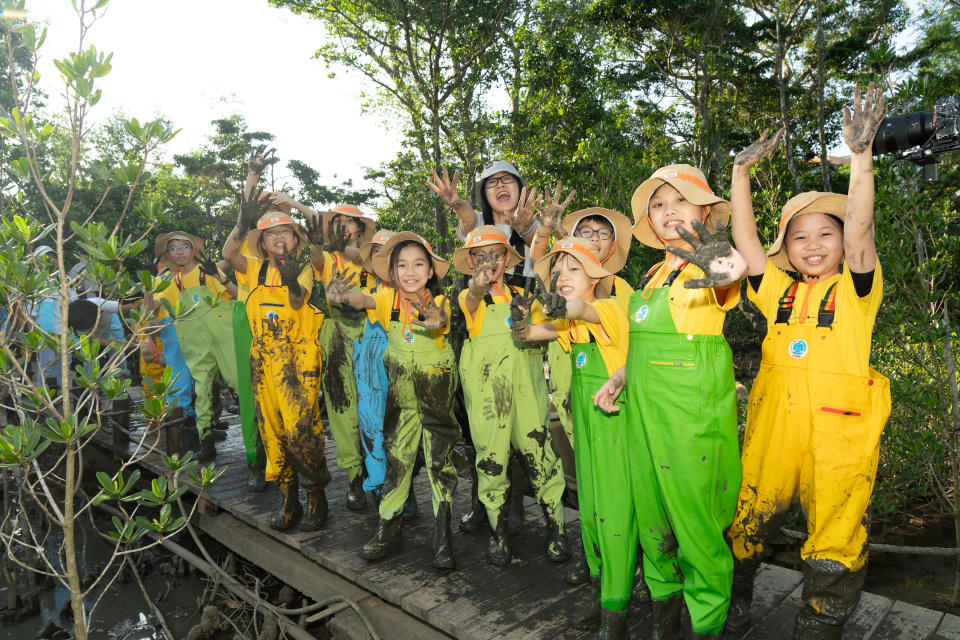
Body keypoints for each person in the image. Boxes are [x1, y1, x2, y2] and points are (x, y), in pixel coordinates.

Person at [724, 85, 891, 640]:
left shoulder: (856, 290)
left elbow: (862, 228)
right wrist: (740, 174)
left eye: (826, 234)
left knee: (836, 535)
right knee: (749, 516)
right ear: (787, 248)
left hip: (840, 434)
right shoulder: (777, 291)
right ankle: (736, 599)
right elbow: (745, 240)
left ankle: (818, 627)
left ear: (842, 243)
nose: (813, 244)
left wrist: (861, 158)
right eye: (800, 237)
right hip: (774, 425)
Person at [594, 164, 747, 638]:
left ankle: (707, 624)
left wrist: (714, 251)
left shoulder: (707, 265)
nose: (668, 210)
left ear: (705, 211)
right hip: (643, 413)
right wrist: (621, 375)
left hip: (688, 416)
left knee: (695, 523)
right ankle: (666, 623)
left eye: (681, 200)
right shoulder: (652, 274)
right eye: (658, 204)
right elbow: (645, 345)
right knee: (653, 520)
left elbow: (732, 270)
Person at [511, 237, 636, 638]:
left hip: (613, 422)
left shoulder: (608, 308)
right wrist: (520, 323)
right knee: (591, 508)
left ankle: (616, 608)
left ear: (596, 275)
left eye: (573, 269)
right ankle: (601, 589)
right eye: (557, 271)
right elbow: (532, 333)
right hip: (586, 427)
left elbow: (584, 309)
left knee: (614, 511)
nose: (562, 277)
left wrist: (566, 308)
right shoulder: (569, 325)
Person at [326, 232, 460, 569]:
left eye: (418, 264)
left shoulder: (438, 302)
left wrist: (437, 320)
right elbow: (362, 300)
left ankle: (443, 535)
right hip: (401, 387)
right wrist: (342, 296)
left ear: (431, 271)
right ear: (392, 272)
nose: (410, 272)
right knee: (397, 455)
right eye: (402, 265)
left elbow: (442, 320)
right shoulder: (386, 298)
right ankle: (388, 528)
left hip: (436, 382)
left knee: (439, 457)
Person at [452, 225, 569, 566]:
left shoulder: (524, 295)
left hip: (529, 390)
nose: (489, 261)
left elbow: (550, 331)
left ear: (508, 258)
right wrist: (477, 283)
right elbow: (473, 294)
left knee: (542, 456)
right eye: (480, 255)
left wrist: (539, 318)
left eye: (496, 254)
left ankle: (557, 531)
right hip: (489, 395)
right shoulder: (469, 297)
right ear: (470, 261)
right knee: (491, 458)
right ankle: (498, 534)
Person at [222, 189, 331, 531]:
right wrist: (242, 223)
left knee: (302, 429)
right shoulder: (253, 269)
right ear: (263, 243)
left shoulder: (304, 269)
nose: (279, 236)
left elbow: (298, 303)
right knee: (272, 430)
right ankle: (289, 500)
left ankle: (316, 496)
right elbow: (228, 254)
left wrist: (290, 278)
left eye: (285, 231)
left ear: (295, 239)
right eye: (271, 233)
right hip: (263, 359)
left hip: (299, 358)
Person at [308, 203, 377, 511]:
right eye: (336, 221)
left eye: (349, 221)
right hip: (335, 333)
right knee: (341, 407)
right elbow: (316, 258)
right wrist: (318, 243)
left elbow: (368, 263)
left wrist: (346, 247)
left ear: (360, 227)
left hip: (371, 333)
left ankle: (379, 473)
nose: (342, 225)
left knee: (375, 405)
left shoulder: (372, 256)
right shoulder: (327, 259)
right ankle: (354, 477)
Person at [147, 231, 240, 463]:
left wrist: (218, 275)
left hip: (225, 339)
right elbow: (151, 308)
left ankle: (259, 447)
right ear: (168, 254)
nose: (179, 251)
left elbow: (238, 296)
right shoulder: (168, 280)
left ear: (193, 250)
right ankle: (205, 443)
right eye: (174, 248)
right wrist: (148, 286)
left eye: (184, 246)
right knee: (202, 392)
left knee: (240, 387)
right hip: (194, 343)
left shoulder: (207, 271)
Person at [428, 161, 557, 285]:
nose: (500, 185)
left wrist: (525, 230)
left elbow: (537, 243)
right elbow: (467, 215)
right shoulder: (478, 222)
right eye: (491, 182)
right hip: (477, 297)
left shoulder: (534, 226)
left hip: (522, 297)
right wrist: (457, 205)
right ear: (484, 194)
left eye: (507, 178)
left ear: (519, 187)